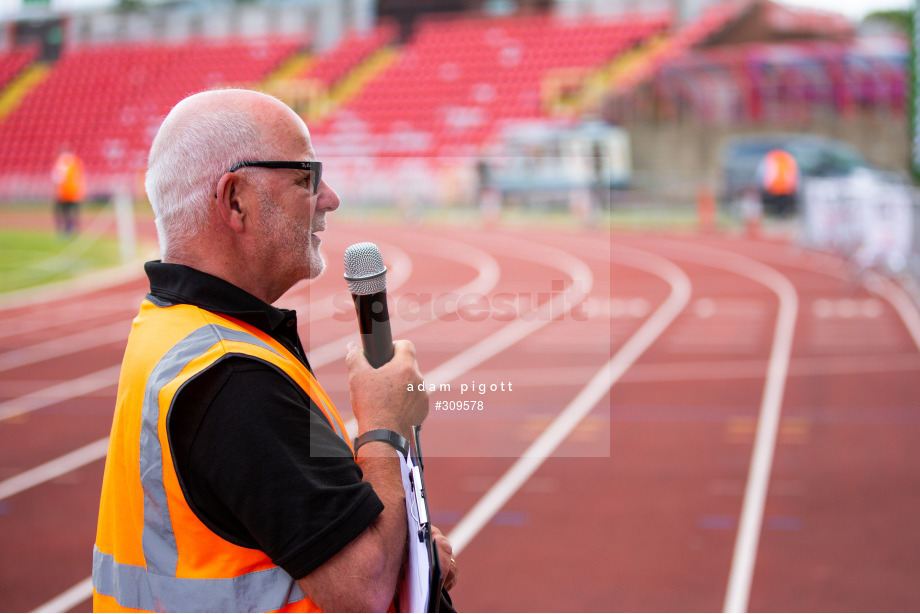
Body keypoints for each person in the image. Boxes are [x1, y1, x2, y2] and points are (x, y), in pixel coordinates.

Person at [92, 89, 458, 612]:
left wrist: (408, 553)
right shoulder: (230, 378)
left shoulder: (174, 330)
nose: (329, 198)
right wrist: (384, 424)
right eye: (306, 178)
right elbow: (365, 590)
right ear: (235, 200)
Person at [51, 147, 86, 236]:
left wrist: (56, 189)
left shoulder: (62, 162)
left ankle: (65, 229)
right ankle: (74, 228)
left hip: (65, 191)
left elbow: (58, 177)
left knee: (63, 211)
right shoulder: (76, 161)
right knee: (74, 211)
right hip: (75, 191)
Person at [757, 148, 799, 217]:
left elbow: (763, 171)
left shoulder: (771, 157)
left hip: (777, 186)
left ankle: (780, 215)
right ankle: (780, 216)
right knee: (780, 204)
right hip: (783, 186)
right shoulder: (787, 157)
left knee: (779, 205)